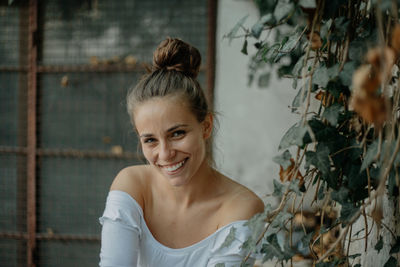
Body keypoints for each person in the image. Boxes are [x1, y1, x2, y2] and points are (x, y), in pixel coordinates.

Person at [99, 38, 264, 267]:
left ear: (205, 126)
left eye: (177, 134)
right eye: (150, 140)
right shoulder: (132, 186)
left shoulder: (241, 207)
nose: (165, 154)